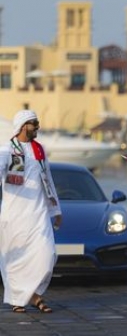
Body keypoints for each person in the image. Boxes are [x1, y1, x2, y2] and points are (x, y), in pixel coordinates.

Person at [0, 109, 62, 314]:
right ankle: (26, 299)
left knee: (47, 255)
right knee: (16, 259)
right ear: (22, 125)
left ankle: (31, 295)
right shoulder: (8, 150)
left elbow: (49, 180)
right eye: (34, 123)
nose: (37, 127)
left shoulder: (39, 150)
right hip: (14, 215)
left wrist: (56, 209)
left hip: (38, 214)